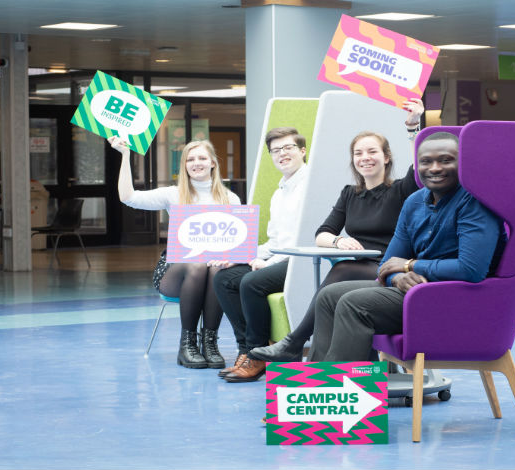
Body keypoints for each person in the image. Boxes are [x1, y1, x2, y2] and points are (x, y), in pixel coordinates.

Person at [246, 99, 425, 366]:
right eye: (358, 153)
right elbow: (322, 233)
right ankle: (317, 366)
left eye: (372, 152)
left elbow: (419, 166)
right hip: (358, 265)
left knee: (340, 272)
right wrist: (340, 240)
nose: (365, 158)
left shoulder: (400, 189)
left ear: (386, 157)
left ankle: (295, 342)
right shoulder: (349, 194)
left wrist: (413, 126)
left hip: (390, 266)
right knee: (338, 280)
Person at [306, 131, 507, 362]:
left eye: (445, 160)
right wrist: (397, 278)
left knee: (354, 304)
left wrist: (411, 266)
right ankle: (319, 381)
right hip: (417, 292)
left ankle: (339, 388)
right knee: (329, 296)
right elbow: (387, 265)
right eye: (426, 162)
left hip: (455, 299)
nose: (434, 168)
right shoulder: (414, 202)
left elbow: (471, 269)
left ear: (463, 163)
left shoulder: (475, 202)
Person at [108, 137, 241, 369]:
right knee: (197, 265)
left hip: (213, 272)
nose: (196, 163)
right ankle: (187, 344)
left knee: (217, 268)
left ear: (213, 163)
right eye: (190, 159)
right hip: (174, 272)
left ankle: (210, 342)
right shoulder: (174, 193)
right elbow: (128, 197)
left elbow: (238, 244)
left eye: (201, 158)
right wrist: (126, 156)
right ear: (184, 165)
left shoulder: (230, 199)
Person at [211, 127, 308, 382]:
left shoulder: (310, 186)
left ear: (302, 151)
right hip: (281, 256)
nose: (282, 154)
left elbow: (305, 240)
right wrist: (241, 256)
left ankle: (258, 357)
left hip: (304, 261)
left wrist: (267, 263)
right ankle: (247, 349)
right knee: (224, 278)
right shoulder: (279, 193)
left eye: (288, 148)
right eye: (276, 150)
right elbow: (275, 241)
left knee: (252, 282)